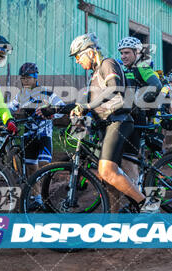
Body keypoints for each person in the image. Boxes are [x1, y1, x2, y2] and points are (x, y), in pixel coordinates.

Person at [67, 33, 158, 213]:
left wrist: (137, 104)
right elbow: (95, 104)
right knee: (109, 176)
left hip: (126, 120)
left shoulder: (116, 65)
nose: (77, 61)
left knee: (117, 169)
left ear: (91, 52)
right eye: (121, 53)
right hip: (110, 123)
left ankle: (145, 206)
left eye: (78, 56)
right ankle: (113, 221)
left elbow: (116, 90)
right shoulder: (98, 73)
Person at [9, 62, 65, 210]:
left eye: (27, 78)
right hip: (29, 135)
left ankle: (46, 198)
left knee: (44, 166)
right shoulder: (21, 95)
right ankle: (37, 198)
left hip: (44, 135)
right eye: (22, 78)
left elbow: (62, 107)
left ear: (35, 78)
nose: (24, 81)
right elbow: (10, 108)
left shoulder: (47, 93)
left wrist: (52, 112)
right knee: (30, 168)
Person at [117, 37, 163, 184]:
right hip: (129, 117)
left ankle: (139, 194)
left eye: (126, 53)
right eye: (121, 53)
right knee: (130, 158)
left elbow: (156, 85)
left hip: (138, 118)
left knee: (130, 158)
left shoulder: (142, 67)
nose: (123, 56)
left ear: (136, 53)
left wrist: (137, 104)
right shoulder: (127, 69)